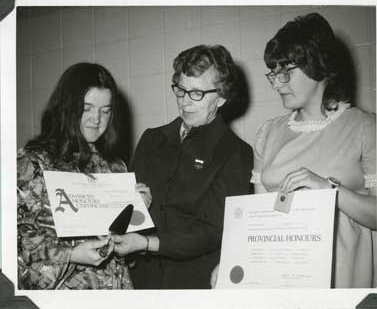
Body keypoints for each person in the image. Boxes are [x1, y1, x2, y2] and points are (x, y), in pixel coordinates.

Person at [249, 13, 376, 288]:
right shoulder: (267, 132)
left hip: (341, 277)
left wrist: (328, 190)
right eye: (273, 72)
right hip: (282, 276)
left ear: (319, 66)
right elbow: (261, 219)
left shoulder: (365, 127)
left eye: (286, 72)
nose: (276, 83)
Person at [113, 44, 253, 289]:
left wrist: (147, 244)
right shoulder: (152, 139)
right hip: (139, 281)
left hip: (193, 283)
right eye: (180, 90)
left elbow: (211, 232)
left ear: (221, 97)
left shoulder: (235, 153)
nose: (185, 102)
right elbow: (128, 211)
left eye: (196, 93)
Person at [17, 62, 151, 290]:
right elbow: (16, 244)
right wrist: (71, 254)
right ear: (66, 108)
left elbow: (124, 256)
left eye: (105, 110)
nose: (96, 119)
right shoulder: (32, 163)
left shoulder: (114, 167)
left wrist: (137, 213)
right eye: (86, 108)